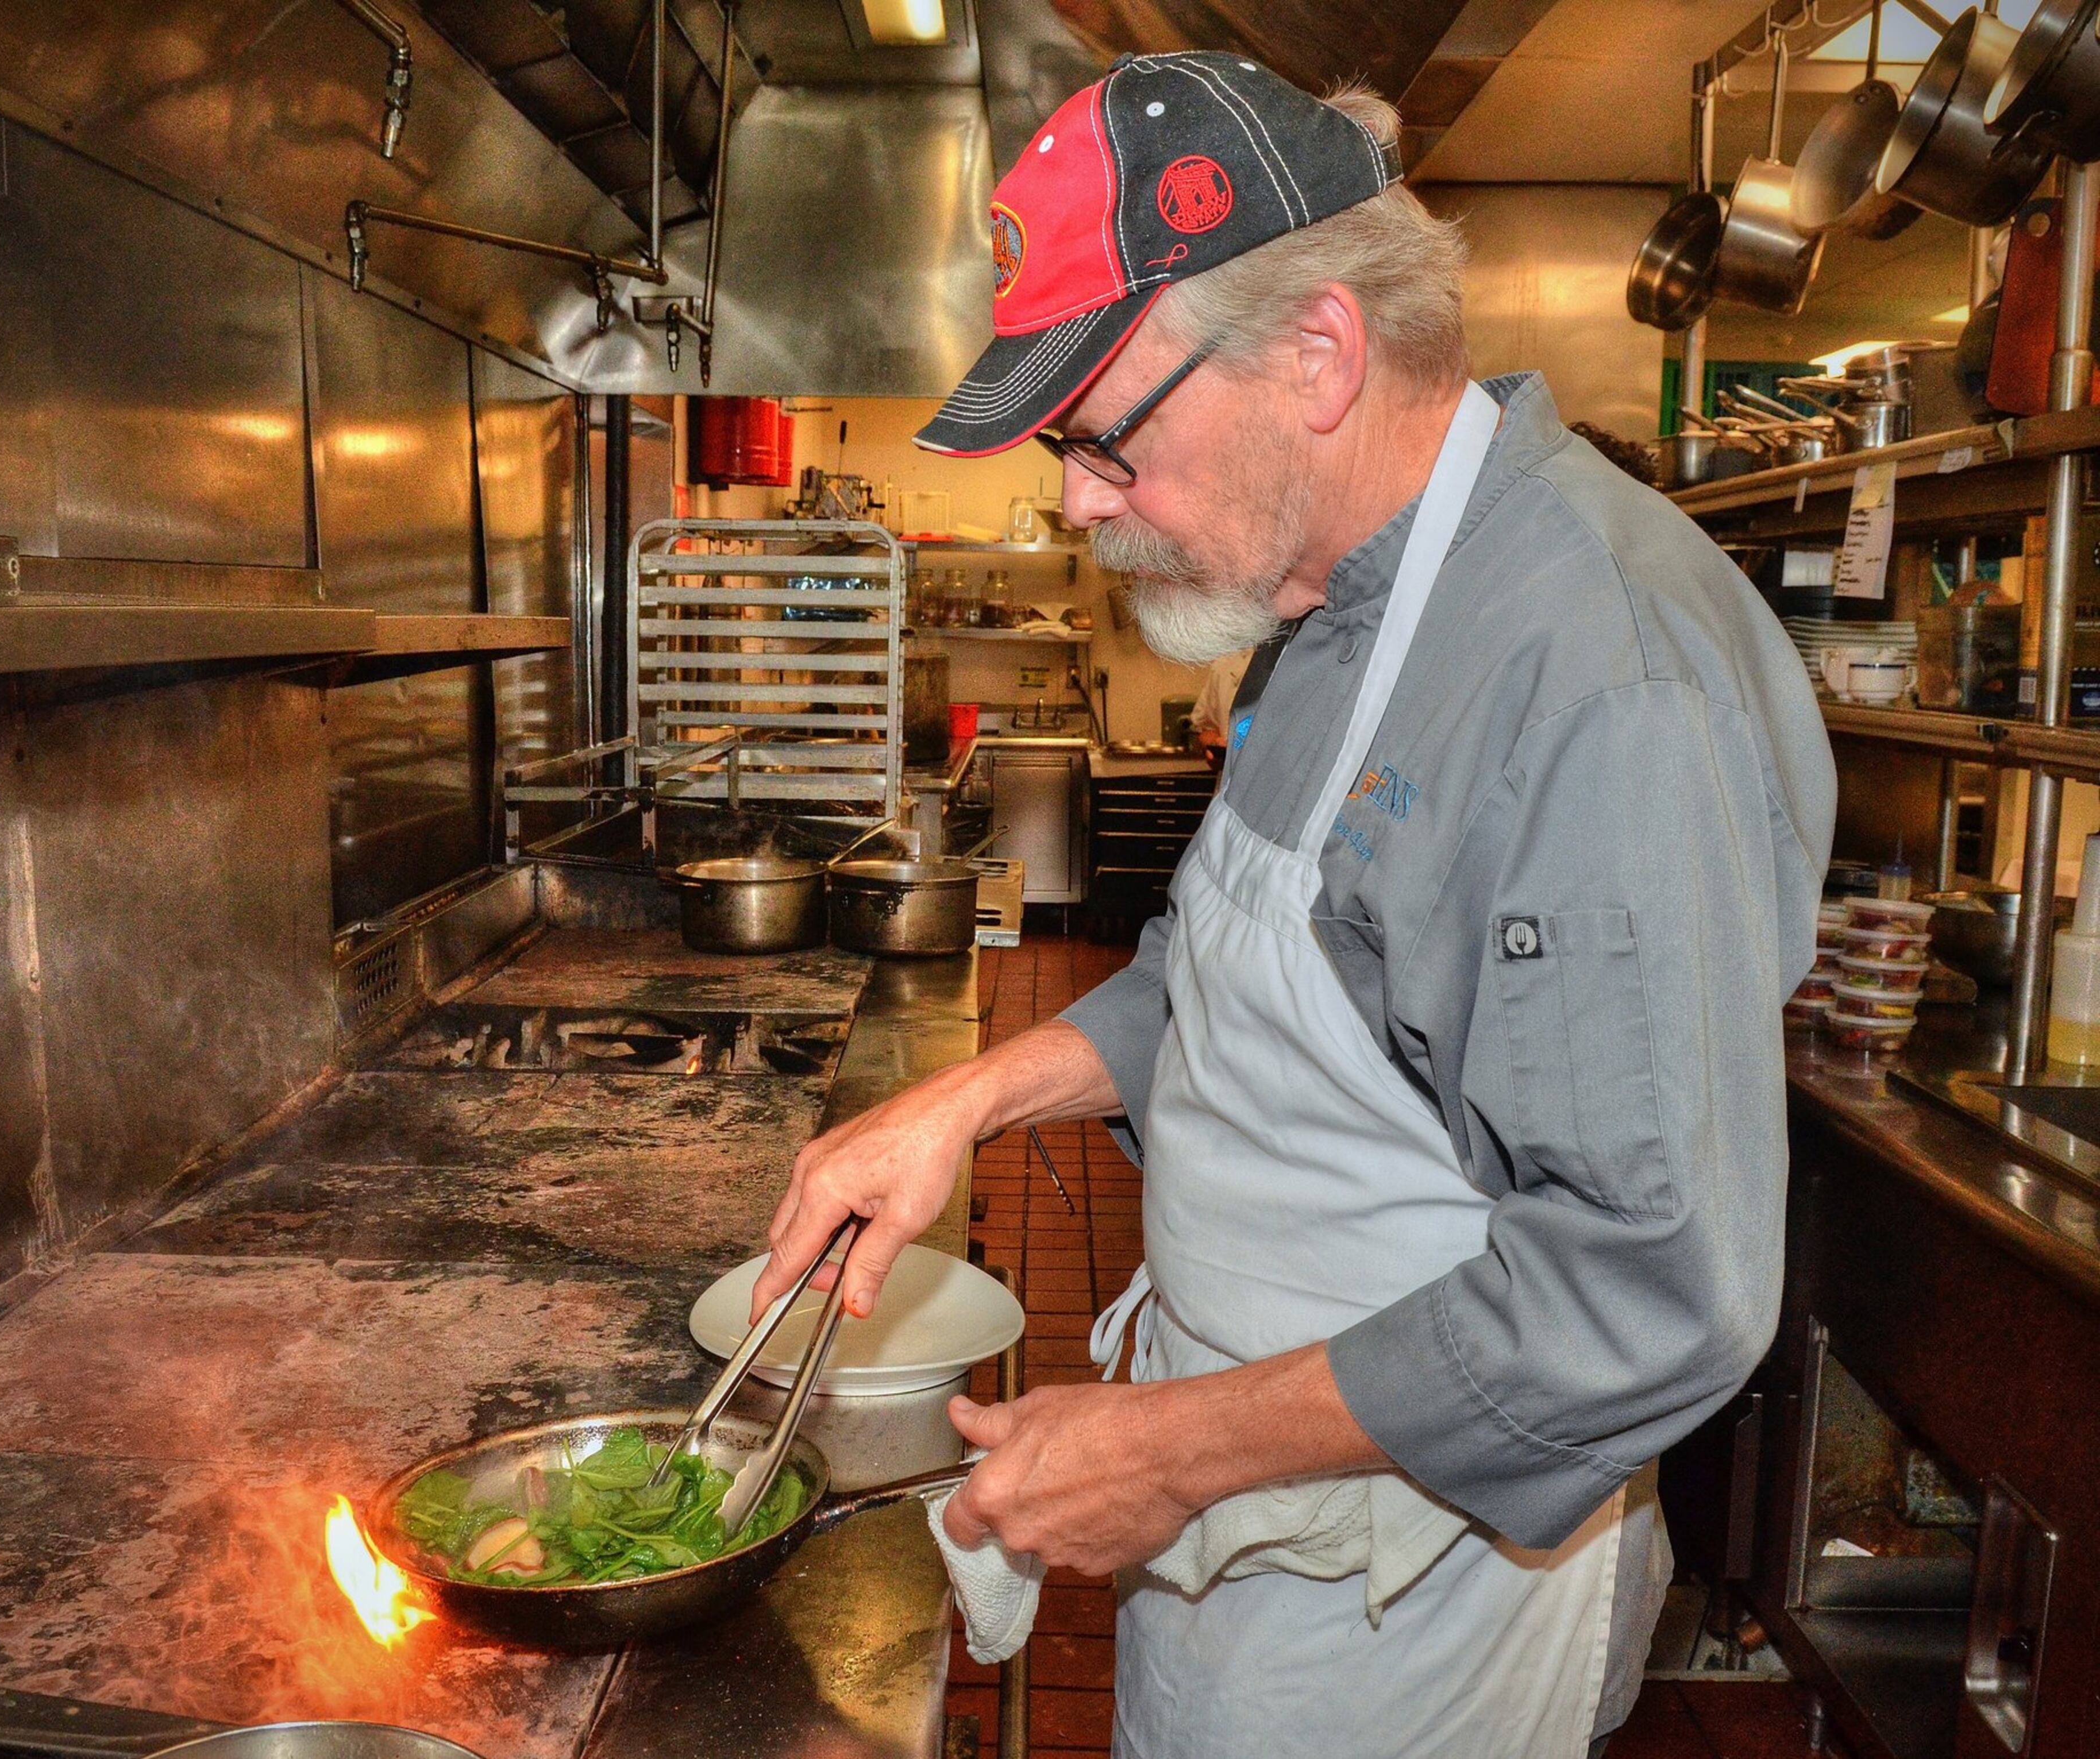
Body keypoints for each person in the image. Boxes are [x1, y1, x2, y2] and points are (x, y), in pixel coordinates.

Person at [752, 52, 1834, 1759]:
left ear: (1318, 355)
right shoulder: (1317, 606)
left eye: (1102, 434)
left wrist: (1165, 1449)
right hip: (1252, 1507)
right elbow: (1231, 974)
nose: (1076, 498)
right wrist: (962, 1102)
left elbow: (1648, 1293)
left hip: (1421, 1588)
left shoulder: (1593, 682)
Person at [1186, 646, 1251, 763]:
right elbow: (1207, 729)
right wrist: (1215, 745)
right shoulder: (1225, 663)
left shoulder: (1286, 664)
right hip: (1230, 773)